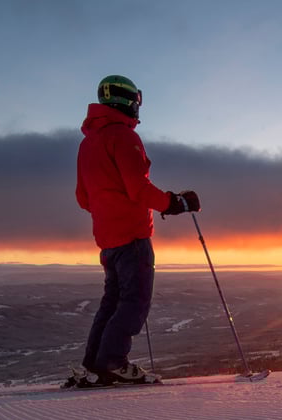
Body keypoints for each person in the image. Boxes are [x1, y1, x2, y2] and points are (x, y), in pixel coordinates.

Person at [76, 74, 200, 383]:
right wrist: (176, 203)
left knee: (112, 301)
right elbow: (138, 189)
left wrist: (108, 213)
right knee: (134, 301)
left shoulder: (88, 143)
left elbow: (83, 197)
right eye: (137, 102)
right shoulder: (124, 136)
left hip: (107, 239)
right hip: (132, 236)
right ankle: (113, 363)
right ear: (129, 101)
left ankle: (94, 364)